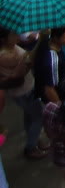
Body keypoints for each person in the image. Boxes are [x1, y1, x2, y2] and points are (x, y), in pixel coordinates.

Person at [0, 26, 48, 159]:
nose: (16, 36)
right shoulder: (5, 56)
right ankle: (31, 147)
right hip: (22, 91)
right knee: (38, 117)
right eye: (13, 35)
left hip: (26, 87)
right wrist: (41, 40)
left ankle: (34, 140)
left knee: (29, 116)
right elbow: (27, 63)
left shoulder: (12, 48)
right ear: (4, 39)